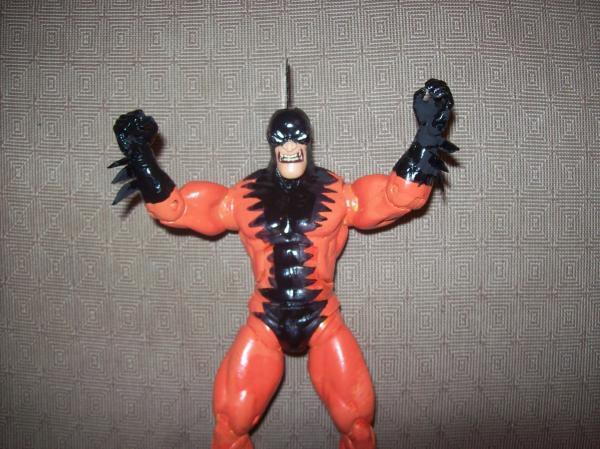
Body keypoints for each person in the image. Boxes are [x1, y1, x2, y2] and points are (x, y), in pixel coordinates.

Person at [110, 79, 458, 449]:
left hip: (321, 318)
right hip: (266, 320)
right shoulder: (241, 197)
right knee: (229, 426)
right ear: (272, 145)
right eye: (282, 139)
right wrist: (139, 156)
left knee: (358, 426)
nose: (290, 147)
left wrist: (428, 135)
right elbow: (177, 209)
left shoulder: (340, 194)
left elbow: (398, 198)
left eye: (298, 139)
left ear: (308, 143)